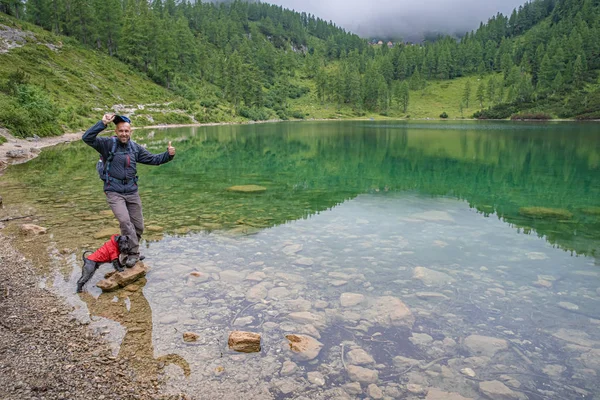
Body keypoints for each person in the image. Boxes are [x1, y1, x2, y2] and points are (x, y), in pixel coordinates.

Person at [83, 113, 175, 267]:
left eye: (126, 131)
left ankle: (125, 252)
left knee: (138, 226)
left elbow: (154, 160)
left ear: (131, 132)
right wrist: (102, 123)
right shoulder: (107, 145)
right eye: (121, 131)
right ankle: (133, 253)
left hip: (132, 191)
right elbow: (87, 138)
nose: (124, 134)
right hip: (114, 191)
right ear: (116, 132)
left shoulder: (135, 148)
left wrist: (168, 155)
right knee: (125, 222)